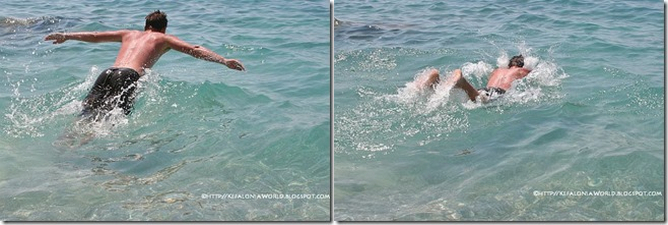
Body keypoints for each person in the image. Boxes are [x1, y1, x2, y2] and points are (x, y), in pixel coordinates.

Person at [44, 10, 245, 118]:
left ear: (145, 25)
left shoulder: (128, 34)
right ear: (163, 29)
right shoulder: (163, 39)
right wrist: (224, 61)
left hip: (108, 72)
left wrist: (66, 36)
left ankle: (67, 144)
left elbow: (96, 36)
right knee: (109, 121)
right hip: (128, 76)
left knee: (86, 113)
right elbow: (194, 49)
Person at [421, 55, 531, 102]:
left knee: (474, 97)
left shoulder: (497, 71)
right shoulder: (521, 71)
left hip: (485, 89)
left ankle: (436, 82)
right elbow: (536, 73)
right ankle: (462, 82)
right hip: (496, 92)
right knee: (477, 100)